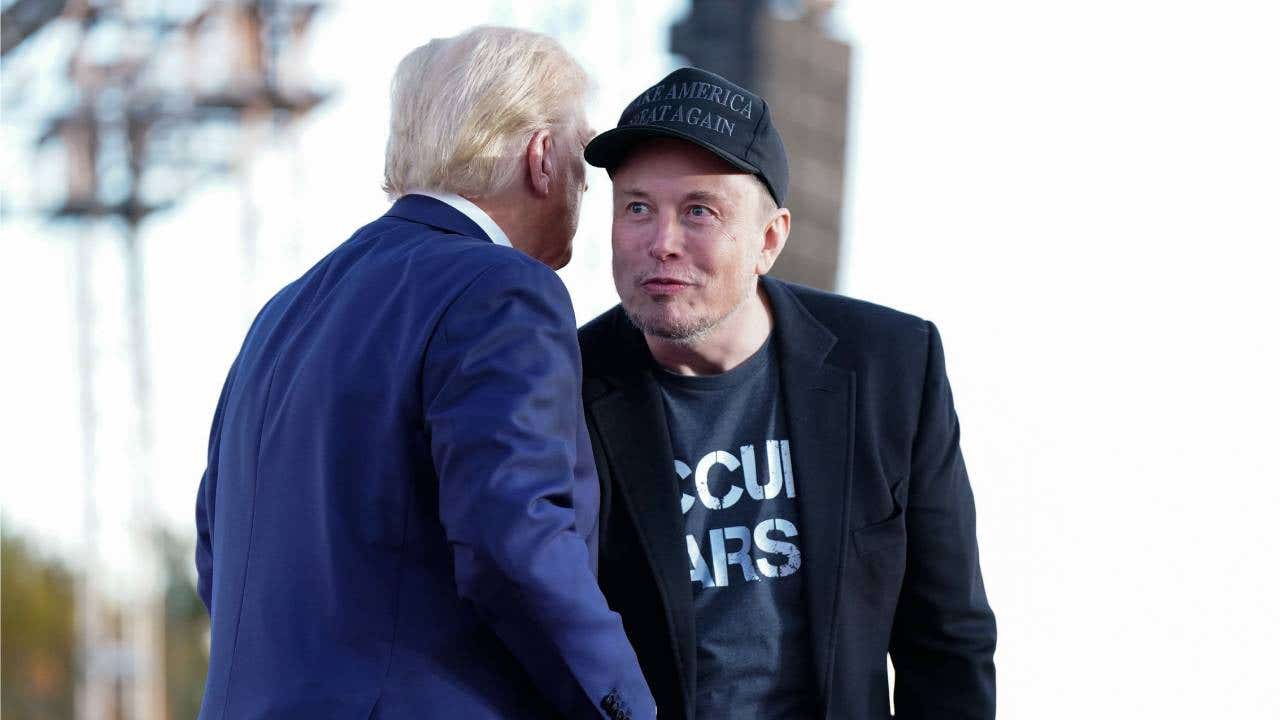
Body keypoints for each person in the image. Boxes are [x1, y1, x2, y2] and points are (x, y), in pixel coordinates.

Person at [194, 27, 654, 720]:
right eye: (582, 169)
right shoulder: (502, 290)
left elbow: (217, 555)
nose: (583, 193)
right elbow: (516, 539)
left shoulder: (282, 315)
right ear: (542, 158)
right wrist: (624, 707)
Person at [577, 67, 997, 720]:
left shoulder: (890, 366)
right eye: (637, 207)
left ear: (769, 239)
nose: (660, 242)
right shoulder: (564, 384)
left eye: (699, 211)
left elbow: (947, 637)